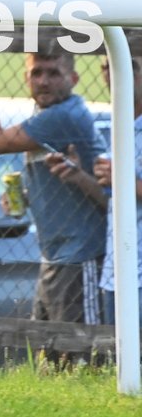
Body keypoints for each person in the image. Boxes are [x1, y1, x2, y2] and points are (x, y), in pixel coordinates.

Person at [0, 48, 108, 323]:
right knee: (46, 357)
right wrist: (25, 196)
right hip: (55, 257)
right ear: (26, 78)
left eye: (53, 73)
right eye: (37, 73)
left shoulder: (63, 116)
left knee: (83, 357)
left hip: (81, 257)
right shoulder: (44, 113)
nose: (44, 81)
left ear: (73, 78)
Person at [84, 53, 142, 324]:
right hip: (117, 271)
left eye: (131, 66)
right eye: (109, 65)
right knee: (116, 362)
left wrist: (123, 180)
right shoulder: (118, 124)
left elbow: (126, 185)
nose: (116, 72)